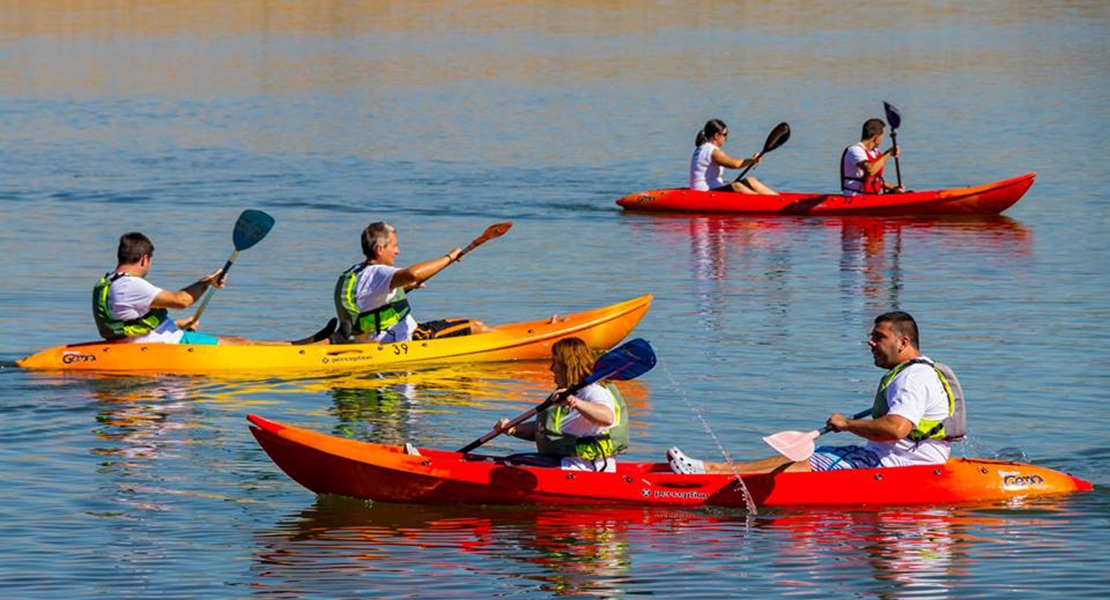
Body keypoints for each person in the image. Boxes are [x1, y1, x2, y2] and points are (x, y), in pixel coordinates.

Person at [668, 311, 964, 475]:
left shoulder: (912, 377)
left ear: (903, 342)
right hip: (890, 459)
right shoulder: (917, 371)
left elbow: (896, 428)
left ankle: (712, 474)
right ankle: (715, 470)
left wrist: (847, 425)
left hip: (902, 468)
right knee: (816, 454)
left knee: (811, 463)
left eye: (878, 337)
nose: (870, 342)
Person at [333, 221, 491, 343]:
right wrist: (448, 258)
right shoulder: (380, 272)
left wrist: (406, 287)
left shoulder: (357, 272)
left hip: (372, 337)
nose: (397, 251)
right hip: (402, 338)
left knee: (458, 321)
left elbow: (372, 301)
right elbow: (413, 274)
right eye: (394, 246)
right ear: (380, 249)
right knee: (478, 326)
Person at [493, 337, 629, 472]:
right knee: (512, 460)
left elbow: (607, 417)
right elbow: (543, 429)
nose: (551, 368)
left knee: (514, 466)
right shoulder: (572, 391)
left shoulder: (593, 390)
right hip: (566, 463)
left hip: (586, 468)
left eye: (554, 362)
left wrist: (575, 402)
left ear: (567, 365)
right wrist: (512, 429)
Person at [93, 232, 250, 345]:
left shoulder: (107, 282)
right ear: (144, 259)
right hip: (165, 344)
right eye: (150, 261)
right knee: (243, 344)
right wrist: (207, 282)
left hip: (142, 341)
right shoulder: (131, 284)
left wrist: (180, 324)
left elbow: (130, 322)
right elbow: (182, 301)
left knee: (236, 339)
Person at [689, 119, 777, 195]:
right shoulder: (713, 152)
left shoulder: (703, 148)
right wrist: (752, 160)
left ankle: (778, 199)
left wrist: (752, 160)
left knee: (751, 180)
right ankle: (769, 203)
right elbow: (735, 164)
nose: (726, 138)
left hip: (713, 187)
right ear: (716, 136)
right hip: (705, 192)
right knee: (737, 186)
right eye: (725, 134)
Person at [840, 118, 906, 195]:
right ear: (876, 137)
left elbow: (875, 180)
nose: (882, 139)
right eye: (882, 136)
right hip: (854, 197)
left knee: (908, 193)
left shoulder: (876, 152)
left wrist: (894, 188)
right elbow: (870, 170)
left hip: (871, 197)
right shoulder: (855, 150)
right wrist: (888, 153)